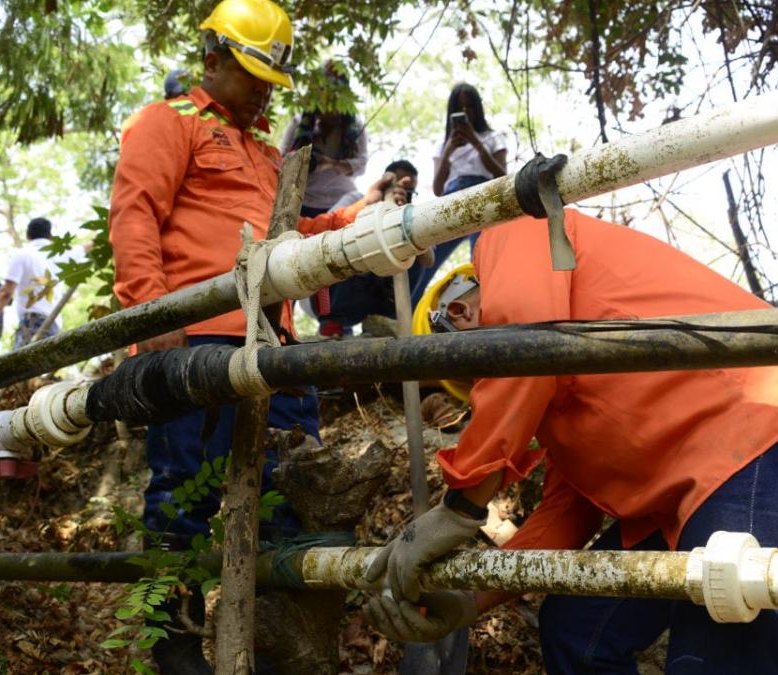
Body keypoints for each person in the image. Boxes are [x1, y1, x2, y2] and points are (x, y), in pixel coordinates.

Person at [364, 209, 778, 674]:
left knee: (714, 660)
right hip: (697, 492)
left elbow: (525, 338)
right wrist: (473, 600)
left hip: (769, 429)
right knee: (578, 630)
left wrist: (460, 505)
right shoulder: (561, 406)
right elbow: (567, 515)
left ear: (460, 308)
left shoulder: (515, 231)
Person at [107, 1, 408, 670]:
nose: (265, 90)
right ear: (211, 61)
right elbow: (135, 214)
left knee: (289, 496)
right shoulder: (168, 121)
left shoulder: (266, 152)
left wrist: (363, 213)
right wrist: (152, 316)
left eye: (271, 79)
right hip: (195, 346)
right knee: (182, 493)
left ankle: (279, 645)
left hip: (272, 347)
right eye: (251, 75)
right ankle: (175, 645)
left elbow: (292, 240)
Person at [410, 83, 507, 306]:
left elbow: (502, 175)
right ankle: (409, 312)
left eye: (470, 107)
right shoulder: (444, 145)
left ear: (477, 109)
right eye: (459, 108)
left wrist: (476, 142)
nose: (466, 113)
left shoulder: (492, 137)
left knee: (480, 258)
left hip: (483, 195)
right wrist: (448, 151)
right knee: (427, 257)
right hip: (450, 200)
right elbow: (437, 188)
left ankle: (484, 311)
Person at [307, 159, 423, 335]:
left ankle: (387, 323)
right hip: (338, 296)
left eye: (408, 189)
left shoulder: (410, 211)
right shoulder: (355, 199)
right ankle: (332, 325)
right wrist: (372, 207)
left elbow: (428, 260)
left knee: (417, 253)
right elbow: (324, 234)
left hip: (375, 296)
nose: (401, 190)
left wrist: (404, 222)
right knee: (343, 242)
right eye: (395, 185)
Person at [279, 61, 369, 218]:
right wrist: (302, 161)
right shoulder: (299, 123)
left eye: (335, 96)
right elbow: (280, 162)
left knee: (361, 199)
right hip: (301, 203)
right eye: (323, 93)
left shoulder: (355, 127)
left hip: (341, 202)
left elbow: (361, 165)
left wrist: (330, 163)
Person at [0, 217, 68, 349]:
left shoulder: (23, 254)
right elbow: (88, 246)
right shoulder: (64, 255)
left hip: (33, 321)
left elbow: (6, 293)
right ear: (50, 235)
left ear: (28, 235)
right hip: (54, 324)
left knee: (21, 367)